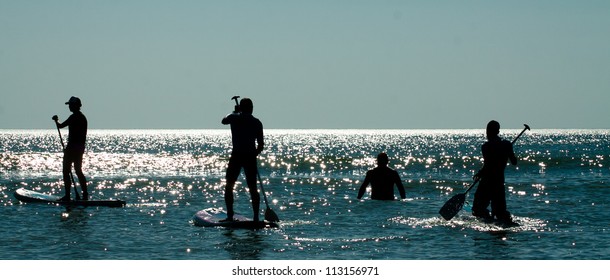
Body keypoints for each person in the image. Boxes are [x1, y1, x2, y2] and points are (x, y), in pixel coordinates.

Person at [221, 97, 264, 222]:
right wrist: (254, 154)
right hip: (249, 156)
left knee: (229, 185)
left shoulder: (235, 118)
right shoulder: (257, 122)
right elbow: (261, 145)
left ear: (240, 107)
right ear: (250, 108)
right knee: (252, 188)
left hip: (237, 156)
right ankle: (256, 217)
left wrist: (235, 112)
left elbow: (224, 120)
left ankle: (230, 216)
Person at [472, 120, 517, 223]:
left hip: (487, 182)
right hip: (499, 182)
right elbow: (514, 162)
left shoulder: (486, 147)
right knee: (500, 212)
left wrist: (480, 173)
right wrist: (509, 150)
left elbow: (488, 166)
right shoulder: (506, 145)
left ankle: (488, 221)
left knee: (477, 209)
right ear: (498, 131)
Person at [52, 96, 89, 201]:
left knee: (66, 171)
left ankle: (67, 195)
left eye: (71, 105)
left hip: (72, 148)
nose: (69, 107)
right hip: (80, 148)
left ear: (75, 106)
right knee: (78, 170)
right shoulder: (83, 117)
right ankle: (85, 194)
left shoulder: (74, 117)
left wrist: (56, 120)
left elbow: (61, 126)